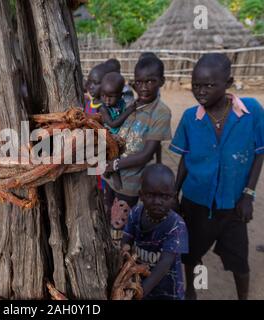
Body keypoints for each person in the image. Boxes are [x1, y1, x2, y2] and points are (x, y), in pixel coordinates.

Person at [169, 53, 264, 300]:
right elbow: (185, 159)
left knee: (239, 260)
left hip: (233, 204)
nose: (201, 91)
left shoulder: (251, 111)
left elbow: (259, 153)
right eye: (196, 85)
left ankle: (243, 296)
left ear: (228, 82)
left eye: (210, 85)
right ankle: (191, 290)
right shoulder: (191, 117)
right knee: (190, 253)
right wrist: (174, 194)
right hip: (196, 201)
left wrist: (248, 195)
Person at [103, 56, 172, 242]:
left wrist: (114, 164)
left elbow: (145, 154)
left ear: (161, 82)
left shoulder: (160, 112)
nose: (144, 87)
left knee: (119, 225)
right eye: (139, 82)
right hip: (110, 174)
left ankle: (120, 262)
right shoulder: (129, 105)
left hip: (130, 183)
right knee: (107, 212)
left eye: (150, 81)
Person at [118, 164, 188, 300]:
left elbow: (164, 265)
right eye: (150, 195)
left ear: (173, 197)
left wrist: (139, 293)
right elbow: (126, 241)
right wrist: (123, 252)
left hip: (167, 290)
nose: (157, 202)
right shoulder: (136, 213)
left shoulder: (176, 226)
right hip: (138, 280)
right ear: (141, 195)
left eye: (164, 197)